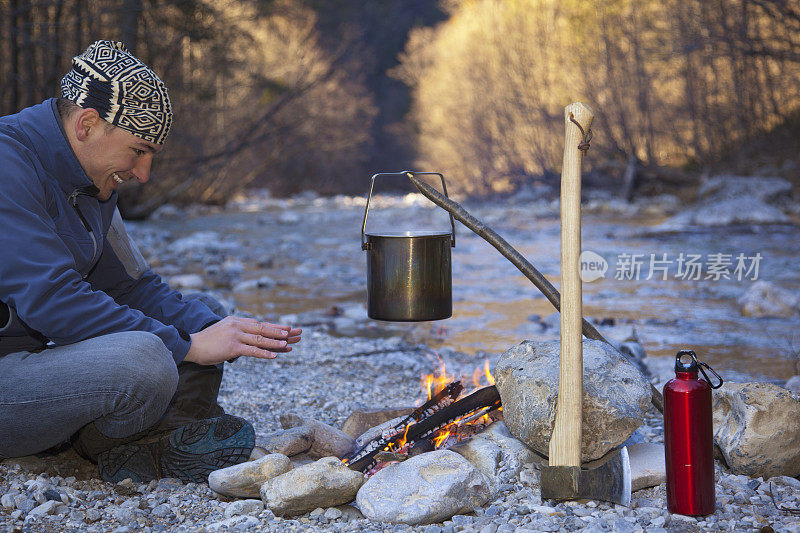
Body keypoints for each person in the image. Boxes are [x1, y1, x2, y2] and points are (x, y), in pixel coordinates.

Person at [0, 41, 301, 483]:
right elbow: (52, 299)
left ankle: (146, 443)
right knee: (148, 359)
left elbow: (132, 286)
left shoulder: (93, 182)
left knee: (206, 314)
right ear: (87, 124)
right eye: (138, 151)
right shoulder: (8, 163)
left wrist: (224, 330)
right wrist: (190, 347)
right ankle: (120, 442)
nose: (143, 174)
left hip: (28, 364)